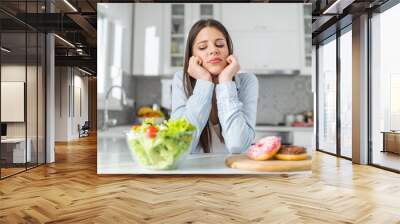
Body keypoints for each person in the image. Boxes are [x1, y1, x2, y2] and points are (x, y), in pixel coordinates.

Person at [171, 19, 258, 154]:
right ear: (192, 56)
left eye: (220, 44)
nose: (213, 50)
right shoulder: (180, 80)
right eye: (202, 47)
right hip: (193, 174)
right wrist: (204, 82)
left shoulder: (248, 81)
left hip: (234, 173)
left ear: (229, 50)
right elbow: (179, 146)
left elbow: (238, 145)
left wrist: (226, 82)